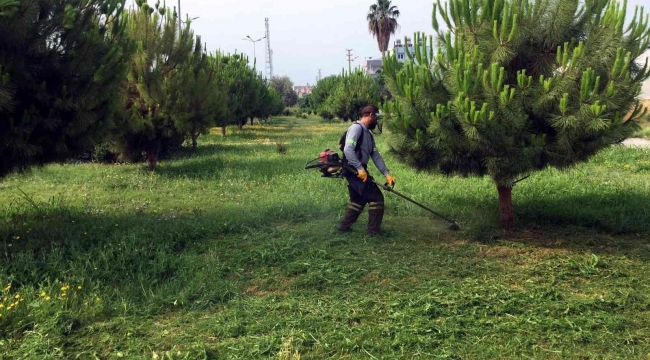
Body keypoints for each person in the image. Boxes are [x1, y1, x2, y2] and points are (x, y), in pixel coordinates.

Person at [338, 105, 396, 235]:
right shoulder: (356, 128)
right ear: (370, 115)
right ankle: (373, 232)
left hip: (360, 170)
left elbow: (375, 155)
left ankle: (343, 227)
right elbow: (348, 150)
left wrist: (387, 174)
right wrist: (359, 169)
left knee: (358, 200)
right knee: (376, 198)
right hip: (352, 169)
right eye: (376, 117)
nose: (377, 121)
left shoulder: (368, 135)